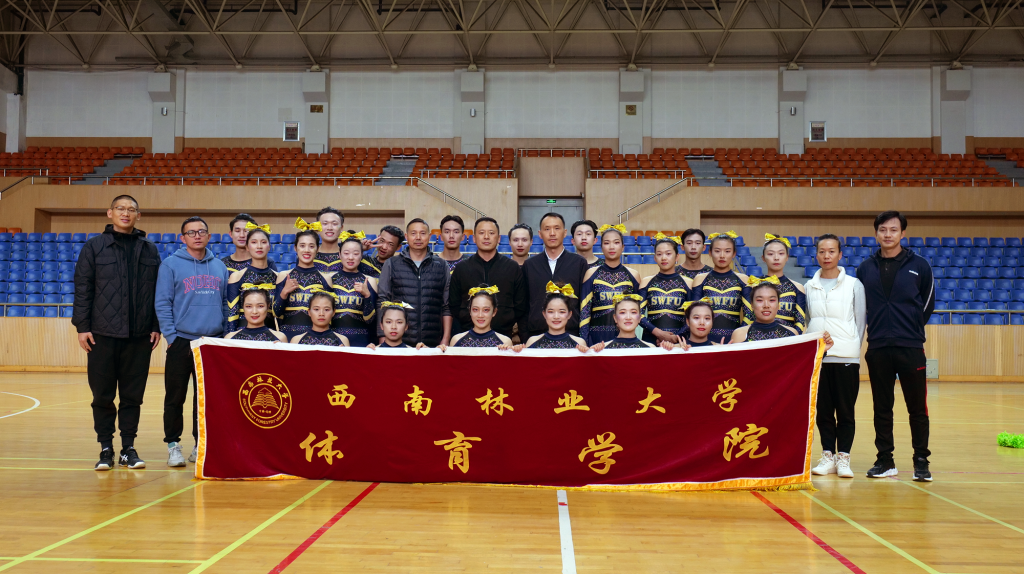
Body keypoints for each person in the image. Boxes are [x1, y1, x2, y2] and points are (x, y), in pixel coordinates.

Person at [73, 194, 161, 471]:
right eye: (121, 208)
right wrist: (82, 327)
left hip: (139, 336)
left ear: (138, 215)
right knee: (102, 396)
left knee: (133, 396)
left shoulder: (149, 249)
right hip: (102, 335)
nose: (126, 213)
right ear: (109, 213)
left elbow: (158, 292)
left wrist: (156, 325)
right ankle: (105, 448)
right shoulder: (94, 247)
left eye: (131, 209)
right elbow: (83, 288)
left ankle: (128, 448)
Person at [857, 210, 935, 482]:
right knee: (882, 407)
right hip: (878, 347)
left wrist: (911, 328)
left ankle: (921, 460)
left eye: (893, 230)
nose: (887, 234)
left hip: (910, 347)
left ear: (903, 233)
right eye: (883, 230)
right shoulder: (865, 268)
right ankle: (885, 460)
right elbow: (861, 307)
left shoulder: (920, 265)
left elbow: (927, 303)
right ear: (876, 233)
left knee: (917, 408)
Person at [155, 216, 230, 468]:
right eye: (191, 232)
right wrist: (171, 336)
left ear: (209, 236)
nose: (197, 236)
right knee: (175, 397)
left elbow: (224, 303)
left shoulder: (219, 266)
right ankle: (173, 445)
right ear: (183, 238)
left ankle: (201, 444)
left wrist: (222, 335)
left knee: (205, 400)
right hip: (181, 341)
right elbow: (162, 302)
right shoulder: (170, 265)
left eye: (201, 231)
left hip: (210, 342)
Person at [808, 234, 866, 479]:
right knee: (823, 412)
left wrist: (851, 348)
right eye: (822, 251)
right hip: (819, 358)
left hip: (846, 358)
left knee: (845, 412)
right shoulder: (809, 286)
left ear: (840, 254)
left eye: (831, 251)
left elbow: (860, 322)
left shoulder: (854, 284)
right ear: (816, 254)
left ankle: (844, 458)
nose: (827, 256)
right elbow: (810, 319)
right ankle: (827, 456)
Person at [376, 218, 452, 347]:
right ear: (406, 237)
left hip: (432, 341)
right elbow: (382, 302)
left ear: (429, 236)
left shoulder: (441, 265)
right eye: (413, 233)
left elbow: (446, 306)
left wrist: (445, 339)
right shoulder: (392, 263)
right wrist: (382, 338)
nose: (418, 237)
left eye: (422, 233)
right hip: (398, 343)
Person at [449, 217, 527, 340]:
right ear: (474, 238)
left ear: (499, 238)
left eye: (491, 233)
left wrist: (506, 322)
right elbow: (454, 304)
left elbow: (520, 304)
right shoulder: (461, 268)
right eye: (481, 233)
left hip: (503, 336)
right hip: (468, 336)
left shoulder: (512, 267)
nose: (486, 237)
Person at [522, 212, 588, 339]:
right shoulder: (530, 265)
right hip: (536, 335)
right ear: (540, 234)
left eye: (557, 228)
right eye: (547, 229)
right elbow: (523, 306)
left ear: (564, 232)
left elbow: (585, 305)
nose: (552, 233)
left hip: (572, 336)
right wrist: (525, 337)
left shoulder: (579, 263)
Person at [580, 224, 640, 346]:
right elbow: (584, 312)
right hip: (596, 338)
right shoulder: (591, 273)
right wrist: (584, 342)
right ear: (601, 247)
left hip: (625, 338)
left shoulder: (633, 275)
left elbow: (639, 312)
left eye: (616, 242)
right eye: (607, 243)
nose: (611, 247)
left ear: (623, 247)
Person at [275, 229, 340, 340]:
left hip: (316, 338)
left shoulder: (325, 278)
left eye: (311, 246)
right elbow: (276, 312)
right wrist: (284, 293)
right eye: (302, 246)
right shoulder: (284, 275)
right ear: (295, 248)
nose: (306, 250)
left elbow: (330, 315)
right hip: (288, 337)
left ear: (317, 249)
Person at [691, 231, 749, 343]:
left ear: (734, 254)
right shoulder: (700, 279)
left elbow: (750, 314)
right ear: (710, 252)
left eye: (727, 251)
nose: (722, 255)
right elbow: (693, 314)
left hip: (735, 341)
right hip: (706, 341)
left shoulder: (743, 279)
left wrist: (738, 338)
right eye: (717, 251)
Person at [744, 233, 806, 333]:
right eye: (770, 254)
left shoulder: (797, 287)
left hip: (787, 340)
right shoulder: (754, 285)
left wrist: (791, 339)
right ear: (763, 258)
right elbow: (747, 319)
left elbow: (800, 322)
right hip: (758, 338)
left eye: (781, 253)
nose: (776, 258)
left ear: (787, 257)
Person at [639, 234, 692, 345]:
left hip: (679, 342)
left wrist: (676, 337)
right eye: (659, 254)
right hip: (651, 341)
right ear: (655, 258)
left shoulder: (688, 283)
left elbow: (694, 316)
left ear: (677, 257)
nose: (663, 258)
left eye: (668, 254)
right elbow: (638, 315)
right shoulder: (646, 281)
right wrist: (658, 333)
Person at [225, 224, 278, 332]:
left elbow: (279, 314)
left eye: (263, 242)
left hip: (270, 336)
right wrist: (230, 338)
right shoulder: (237, 276)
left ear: (269, 246)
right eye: (254, 242)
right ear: (247, 247)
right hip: (242, 335)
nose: (259, 246)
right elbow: (232, 314)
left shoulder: (278, 277)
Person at [331, 230, 378, 347]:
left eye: (356, 254)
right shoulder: (330, 279)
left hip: (361, 340)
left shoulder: (369, 280)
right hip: (334, 339)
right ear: (339, 255)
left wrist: (367, 295)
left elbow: (371, 320)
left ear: (361, 255)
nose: (351, 258)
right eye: (346, 253)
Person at [518, 283, 589, 351]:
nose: (556, 317)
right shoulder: (532, 341)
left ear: (569, 314)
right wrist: (517, 351)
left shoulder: (579, 343)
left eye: (562, 312)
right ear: (544, 314)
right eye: (551, 312)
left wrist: (584, 352)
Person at [441, 286, 514, 349]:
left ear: (494, 312)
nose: (480, 315)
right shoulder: (456, 340)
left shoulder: (505, 342)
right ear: (470, 311)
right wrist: (439, 352)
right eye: (475, 309)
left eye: (486, 310)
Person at [591, 295, 672, 350]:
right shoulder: (603, 348)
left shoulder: (650, 348)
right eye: (622, 312)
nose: (628, 317)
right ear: (615, 318)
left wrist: (666, 350)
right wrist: (592, 352)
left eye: (633, 312)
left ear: (639, 318)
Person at [307, 207, 344, 273]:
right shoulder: (308, 255)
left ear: (341, 228)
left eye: (334, 224)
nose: (329, 228)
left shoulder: (349, 256)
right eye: (325, 224)